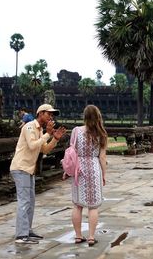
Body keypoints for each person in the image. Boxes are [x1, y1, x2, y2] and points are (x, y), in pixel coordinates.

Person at [10, 104, 66, 244]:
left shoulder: (40, 130)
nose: (51, 117)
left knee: (31, 201)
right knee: (24, 201)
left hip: (29, 169)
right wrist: (48, 134)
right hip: (21, 167)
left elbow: (44, 149)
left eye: (52, 115)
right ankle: (21, 235)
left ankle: (27, 230)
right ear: (40, 114)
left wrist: (55, 139)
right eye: (49, 114)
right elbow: (32, 145)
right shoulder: (29, 126)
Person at [69, 105, 107, 247]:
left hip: (79, 169)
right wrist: (103, 174)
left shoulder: (76, 131)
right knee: (93, 206)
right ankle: (91, 237)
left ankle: (78, 236)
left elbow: (72, 151)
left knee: (78, 205)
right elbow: (102, 157)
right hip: (94, 167)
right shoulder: (101, 133)